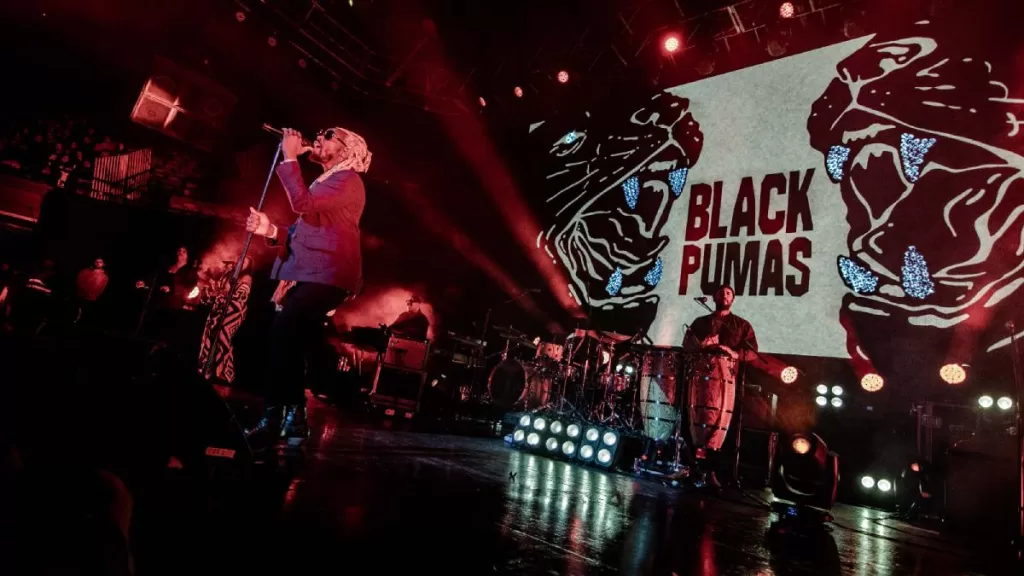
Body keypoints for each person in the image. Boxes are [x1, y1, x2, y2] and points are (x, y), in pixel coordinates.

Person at [244, 125, 370, 448]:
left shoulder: (347, 180)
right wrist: (269, 229)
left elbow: (301, 203)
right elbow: (309, 232)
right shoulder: (328, 182)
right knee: (291, 342)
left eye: (328, 135)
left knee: (282, 333)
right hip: (316, 271)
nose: (319, 137)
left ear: (346, 150)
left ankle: (275, 419)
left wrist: (289, 157)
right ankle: (294, 419)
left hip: (328, 273)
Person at [683, 284, 759, 489]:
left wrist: (732, 352)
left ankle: (712, 472)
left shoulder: (740, 325)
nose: (724, 295)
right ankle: (691, 467)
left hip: (726, 381)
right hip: (700, 379)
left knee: (720, 426)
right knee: (695, 420)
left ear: (732, 299)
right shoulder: (700, 322)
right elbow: (687, 345)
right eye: (721, 293)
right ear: (714, 297)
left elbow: (752, 352)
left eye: (728, 293)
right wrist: (701, 346)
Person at [198, 256, 253, 385]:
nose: (240, 261)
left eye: (244, 261)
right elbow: (217, 288)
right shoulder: (228, 274)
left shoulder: (246, 277)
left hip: (233, 312)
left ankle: (224, 373)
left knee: (222, 338)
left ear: (248, 266)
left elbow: (241, 295)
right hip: (219, 309)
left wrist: (221, 293)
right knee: (209, 336)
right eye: (239, 259)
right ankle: (206, 368)